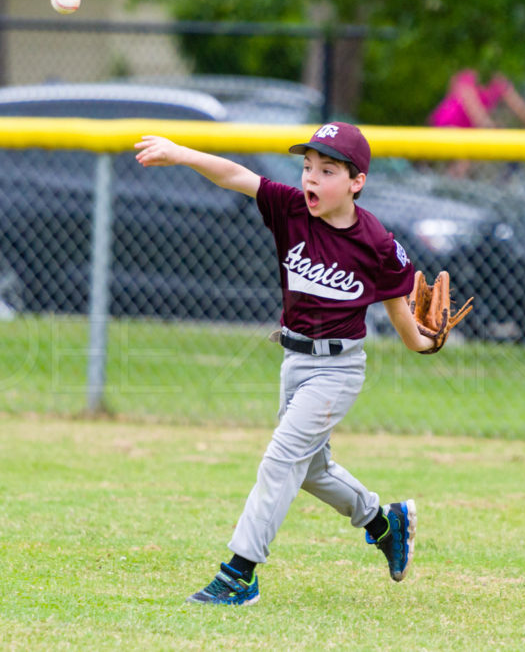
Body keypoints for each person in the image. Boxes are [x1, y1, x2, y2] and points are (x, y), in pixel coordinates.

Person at [134, 122, 444, 606]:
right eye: (306, 167)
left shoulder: (378, 244)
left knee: (281, 460)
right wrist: (182, 153)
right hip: (294, 362)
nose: (310, 179)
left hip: (338, 370)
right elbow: (237, 175)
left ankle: (239, 574)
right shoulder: (290, 210)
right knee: (312, 469)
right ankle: (385, 522)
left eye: (326, 170)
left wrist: (428, 345)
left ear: (356, 182)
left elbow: (405, 323)